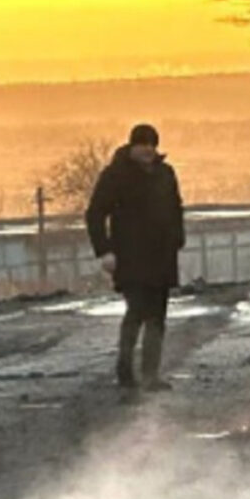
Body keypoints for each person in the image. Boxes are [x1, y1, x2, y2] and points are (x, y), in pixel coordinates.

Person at [85, 124, 185, 391]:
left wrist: (178, 238)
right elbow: (95, 214)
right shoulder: (116, 175)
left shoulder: (165, 173)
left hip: (162, 255)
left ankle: (151, 375)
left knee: (158, 315)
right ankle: (125, 370)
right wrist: (104, 250)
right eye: (143, 144)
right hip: (130, 256)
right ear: (132, 146)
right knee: (137, 310)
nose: (148, 150)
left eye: (153, 144)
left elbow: (176, 207)